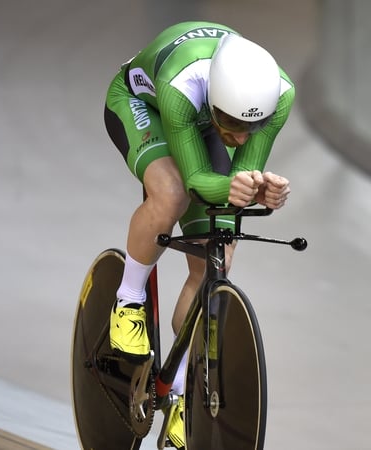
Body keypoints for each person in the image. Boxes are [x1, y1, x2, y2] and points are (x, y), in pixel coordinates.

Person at [102, 21, 295, 448]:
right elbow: (195, 182)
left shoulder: (280, 95)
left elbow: (241, 175)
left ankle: (182, 391)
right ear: (214, 103)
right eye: (231, 124)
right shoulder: (181, 85)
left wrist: (260, 187)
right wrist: (233, 185)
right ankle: (128, 300)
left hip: (198, 122)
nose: (242, 137)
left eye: (253, 126)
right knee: (170, 194)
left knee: (218, 256)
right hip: (145, 106)